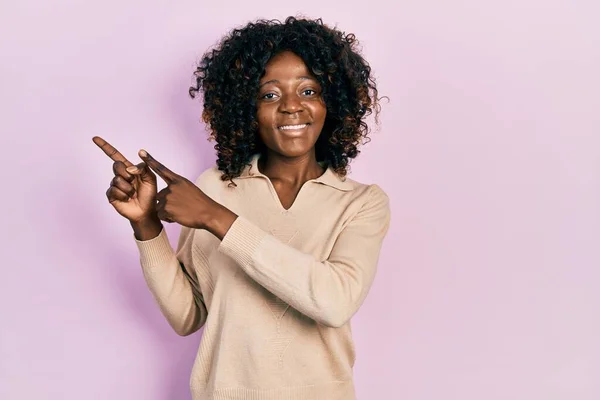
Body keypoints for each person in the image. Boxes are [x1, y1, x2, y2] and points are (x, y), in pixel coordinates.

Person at [93, 16, 391, 400]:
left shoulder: (361, 203)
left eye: (309, 91)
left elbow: (334, 302)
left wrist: (216, 218)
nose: (290, 108)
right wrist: (147, 225)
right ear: (246, 108)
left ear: (331, 102)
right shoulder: (213, 188)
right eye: (269, 95)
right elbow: (187, 316)